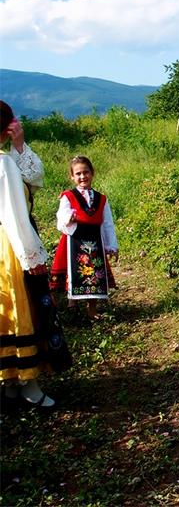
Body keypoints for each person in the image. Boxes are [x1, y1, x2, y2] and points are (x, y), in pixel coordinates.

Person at [0, 100, 56, 407]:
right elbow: (16, 215)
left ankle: (9, 383)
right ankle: (29, 383)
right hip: (9, 243)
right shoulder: (4, 163)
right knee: (23, 310)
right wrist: (31, 256)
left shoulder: (7, 160)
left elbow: (32, 177)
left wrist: (18, 145)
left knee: (4, 314)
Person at [49, 155, 119, 320]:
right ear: (72, 176)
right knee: (74, 273)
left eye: (85, 172)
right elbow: (62, 214)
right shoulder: (68, 196)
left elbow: (107, 223)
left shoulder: (101, 199)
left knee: (94, 274)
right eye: (78, 174)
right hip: (74, 241)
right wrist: (69, 218)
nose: (82, 177)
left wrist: (111, 245)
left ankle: (91, 309)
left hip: (94, 242)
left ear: (92, 173)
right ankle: (72, 303)